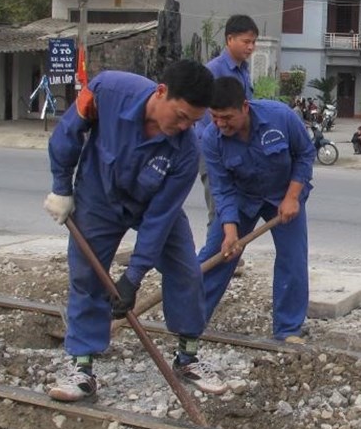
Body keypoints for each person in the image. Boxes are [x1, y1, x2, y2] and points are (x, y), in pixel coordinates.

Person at [42, 60, 227, 402]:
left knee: (186, 270)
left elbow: (160, 218)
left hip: (151, 205)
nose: (185, 125)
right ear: (161, 92)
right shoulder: (107, 90)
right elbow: (69, 133)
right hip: (99, 197)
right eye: (182, 115)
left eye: (194, 121)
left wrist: (133, 277)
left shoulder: (187, 149)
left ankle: (188, 358)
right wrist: (61, 187)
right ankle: (81, 369)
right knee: (86, 275)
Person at [199, 77, 316, 342]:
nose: (220, 124)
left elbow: (305, 154)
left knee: (293, 258)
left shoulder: (280, 117)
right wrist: (230, 231)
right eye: (214, 117)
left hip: (283, 195)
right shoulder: (211, 138)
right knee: (217, 253)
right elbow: (222, 188)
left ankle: (287, 330)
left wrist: (292, 197)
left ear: (244, 106)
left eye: (226, 117)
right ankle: (190, 319)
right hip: (241, 198)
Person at [196, 14, 259, 226]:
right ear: (229, 39)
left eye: (253, 42)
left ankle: (228, 254)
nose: (251, 47)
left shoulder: (243, 70)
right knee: (219, 209)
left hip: (238, 147)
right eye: (246, 42)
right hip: (215, 149)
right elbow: (204, 116)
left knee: (236, 209)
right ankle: (216, 255)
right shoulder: (213, 71)